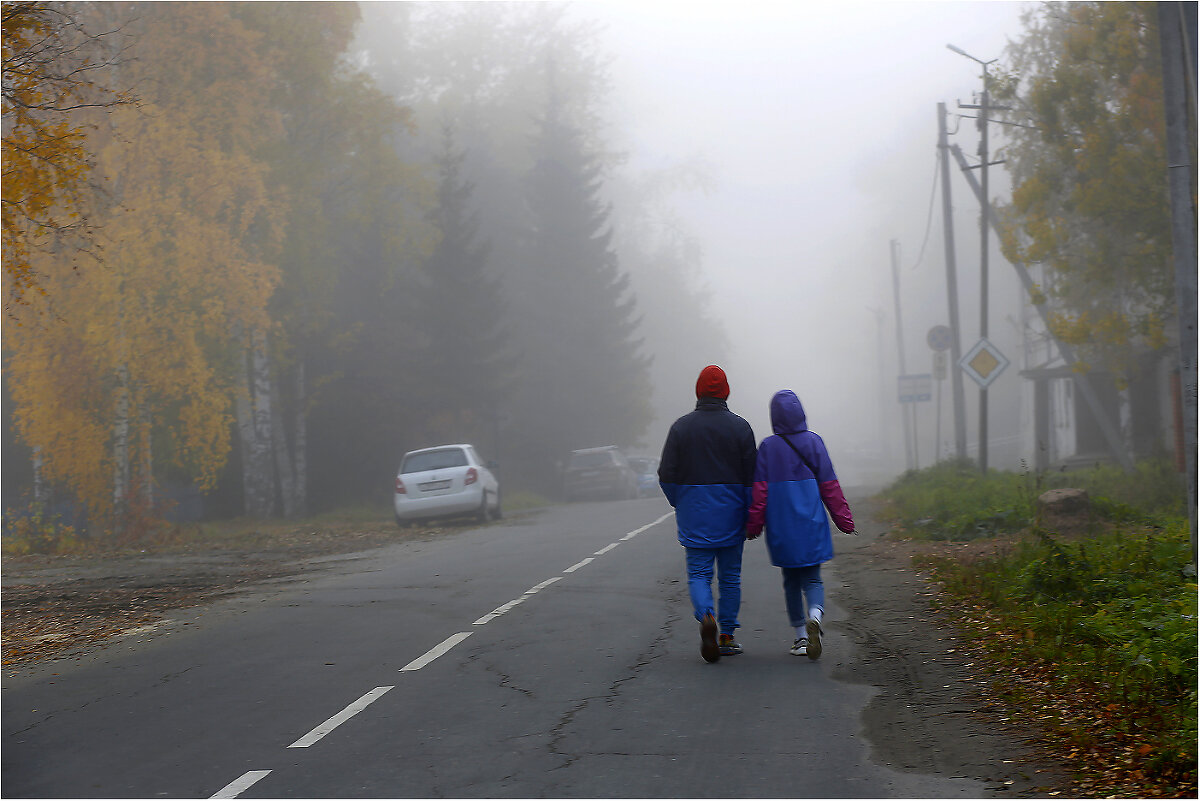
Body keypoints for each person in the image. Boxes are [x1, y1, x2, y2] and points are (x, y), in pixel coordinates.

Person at [745, 389, 855, 660]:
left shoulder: (768, 448)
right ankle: (815, 616)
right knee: (813, 578)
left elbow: (759, 493)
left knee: (791, 582)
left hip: (782, 526)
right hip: (812, 524)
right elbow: (830, 486)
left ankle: (800, 638)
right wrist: (844, 520)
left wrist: (754, 525)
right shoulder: (815, 442)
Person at [658, 365, 757, 663]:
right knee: (730, 578)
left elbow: (666, 474)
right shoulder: (741, 428)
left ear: (698, 391)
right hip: (731, 512)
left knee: (699, 574)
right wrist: (750, 512)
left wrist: (680, 500)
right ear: (726, 391)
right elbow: (753, 478)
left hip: (694, 511)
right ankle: (726, 636)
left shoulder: (680, 428)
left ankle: (706, 616)